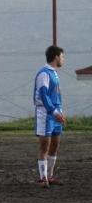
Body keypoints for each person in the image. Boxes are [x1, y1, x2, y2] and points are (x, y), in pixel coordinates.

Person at [34, 45, 66, 188]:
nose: (63, 59)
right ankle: (43, 178)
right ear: (56, 57)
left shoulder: (54, 73)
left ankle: (50, 176)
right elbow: (43, 95)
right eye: (62, 56)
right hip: (45, 114)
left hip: (55, 112)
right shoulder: (44, 73)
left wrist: (60, 110)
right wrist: (54, 112)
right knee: (44, 146)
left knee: (55, 144)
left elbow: (56, 94)